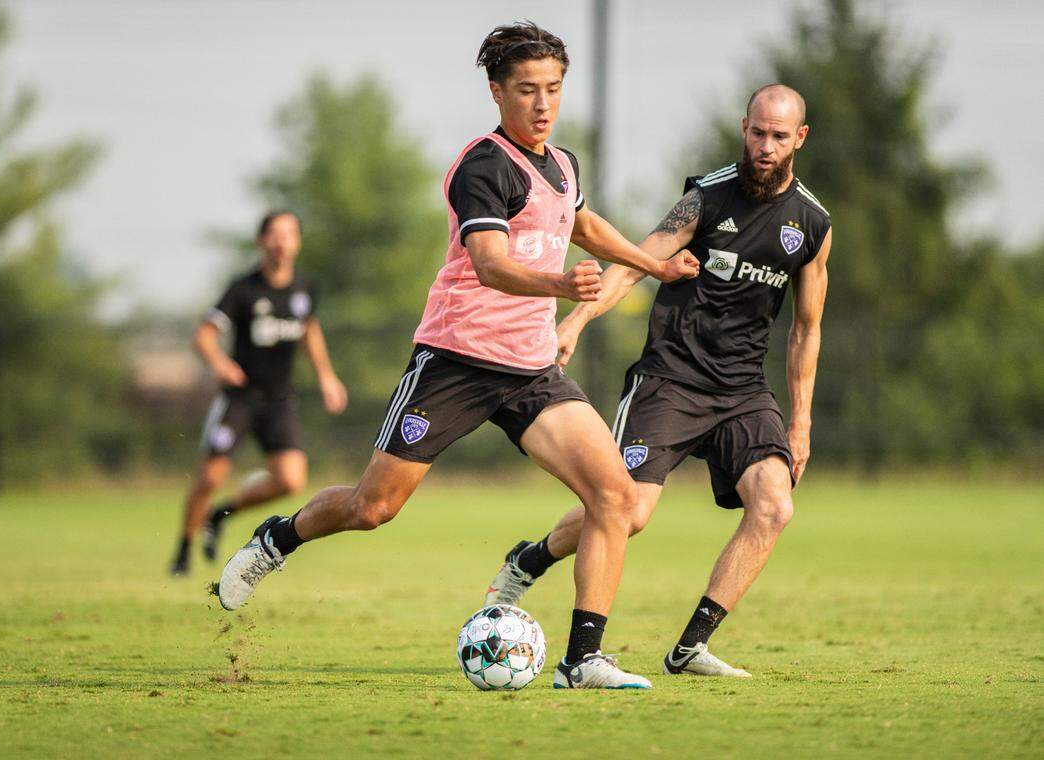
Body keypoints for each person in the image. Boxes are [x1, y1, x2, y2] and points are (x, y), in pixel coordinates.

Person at [215, 21, 699, 690]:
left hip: (531, 370)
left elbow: (581, 225)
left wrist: (655, 264)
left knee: (614, 497)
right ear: (497, 92)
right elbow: (490, 264)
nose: (543, 104)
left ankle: (582, 659)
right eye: (527, 90)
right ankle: (277, 539)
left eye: (554, 89)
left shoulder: (562, 164)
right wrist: (562, 283)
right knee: (372, 507)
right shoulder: (483, 165)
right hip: (457, 361)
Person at [485, 84, 832, 678]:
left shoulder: (814, 224)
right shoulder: (706, 198)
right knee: (630, 512)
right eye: (756, 133)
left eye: (779, 136)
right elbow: (636, 262)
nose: (765, 146)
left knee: (774, 506)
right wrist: (577, 322)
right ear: (743, 127)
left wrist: (799, 422)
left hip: (744, 390)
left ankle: (690, 647)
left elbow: (806, 330)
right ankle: (531, 558)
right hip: (669, 380)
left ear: (800, 138)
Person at [170, 211, 348, 575]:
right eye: (275, 234)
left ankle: (221, 514)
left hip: (279, 400)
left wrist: (327, 377)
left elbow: (309, 332)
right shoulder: (243, 289)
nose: (282, 241)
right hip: (240, 398)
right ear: (261, 241)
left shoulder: (304, 289)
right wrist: (219, 363)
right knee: (210, 477)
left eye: (290, 233)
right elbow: (203, 336)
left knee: (291, 480)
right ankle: (183, 552)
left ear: (297, 242)